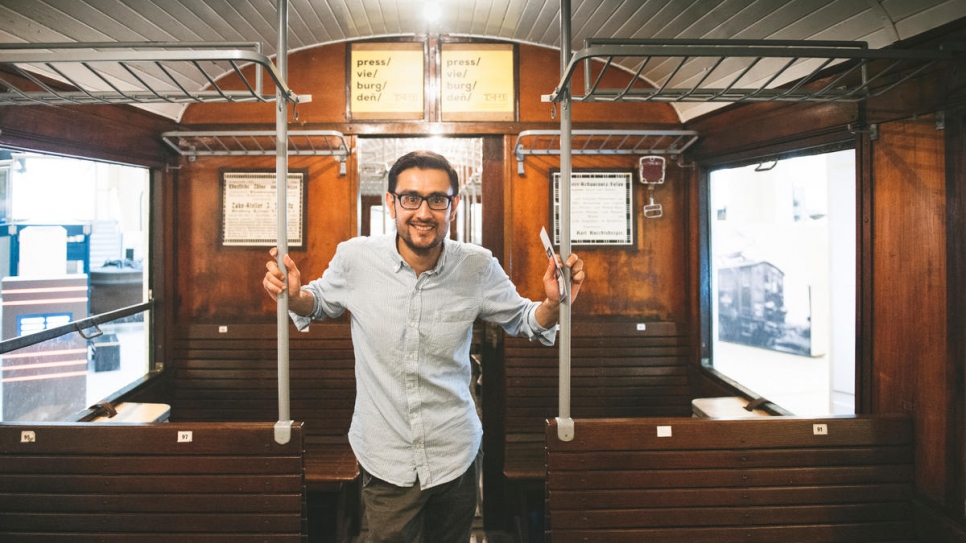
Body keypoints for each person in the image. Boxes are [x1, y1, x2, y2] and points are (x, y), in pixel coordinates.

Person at [263, 150, 585, 543]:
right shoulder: (355, 258)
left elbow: (525, 321)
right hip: (386, 455)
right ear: (391, 202)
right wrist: (294, 297)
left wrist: (552, 303)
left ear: (453, 206)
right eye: (410, 198)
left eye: (437, 199)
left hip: (456, 453)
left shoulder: (477, 267)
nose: (423, 212)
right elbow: (318, 304)